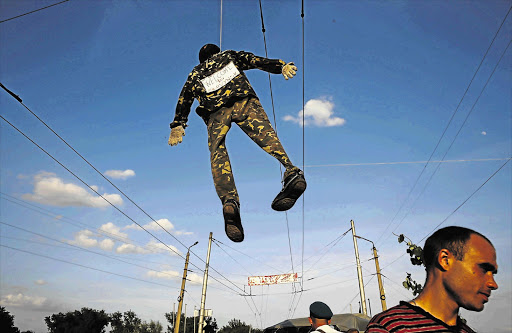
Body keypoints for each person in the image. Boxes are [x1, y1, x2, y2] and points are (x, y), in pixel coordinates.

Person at [169, 43, 306, 243]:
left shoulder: (195, 73)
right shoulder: (229, 56)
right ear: (216, 51)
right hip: (244, 101)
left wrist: (178, 124)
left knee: (218, 152)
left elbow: (185, 97)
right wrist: (280, 66)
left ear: (201, 58)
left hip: (216, 112)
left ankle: (229, 200)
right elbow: (254, 60)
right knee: (267, 136)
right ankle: (291, 172)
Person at [365, 226, 498, 333]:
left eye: (493, 273)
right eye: (484, 269)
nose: (493, 283)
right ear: (445, 260)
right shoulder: (389, 327)